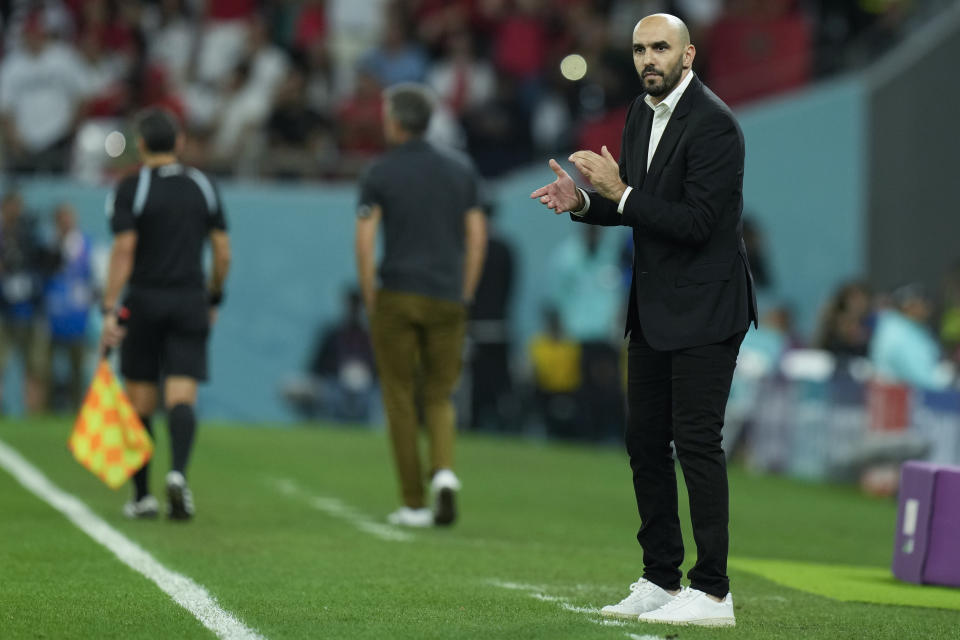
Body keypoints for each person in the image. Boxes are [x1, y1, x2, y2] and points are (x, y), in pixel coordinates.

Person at [530, 13, 757, 627]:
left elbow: (696, 224)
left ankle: (712, 592)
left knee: (697, 442)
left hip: (709, 306)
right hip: (654, 306)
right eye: (639, 49)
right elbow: (640, 214)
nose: (648, 58)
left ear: (688, 57)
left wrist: (620, 193)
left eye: (661, 47)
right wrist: (584, 203)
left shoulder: (715, 126)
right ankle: (661, 577)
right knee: (644, 443)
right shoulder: (637, 114)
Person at [355, 83, 486, 528]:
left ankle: (413, 502)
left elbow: (365, 238)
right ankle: (444, 472)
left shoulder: (380, 172)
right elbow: (476, 236)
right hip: (448, 295)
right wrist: (464, 290)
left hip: (397, 292)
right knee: (439, 394)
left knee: (398, 395)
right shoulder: (461, 169)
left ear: (395, 120)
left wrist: (372, 295)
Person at [100, 108, 231, 521]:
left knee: (141, 397)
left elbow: (124, 250)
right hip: (189, 299)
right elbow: (223, 250)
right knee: (181, 395)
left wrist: (109, 307)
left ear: (139, 145)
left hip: (144, 300)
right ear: (179, 143)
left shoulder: (131, 188)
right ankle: (177, 474)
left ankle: (142, 496)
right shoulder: (202, 185)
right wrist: (213, 296)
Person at [44, 203, 95, 411]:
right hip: (52, 315)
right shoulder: (49, 244)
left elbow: (94, 280)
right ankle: (46, 410)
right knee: (47, 368)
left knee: (77, 368)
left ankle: (77, 409)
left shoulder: (85, 245)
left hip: (78, 317)